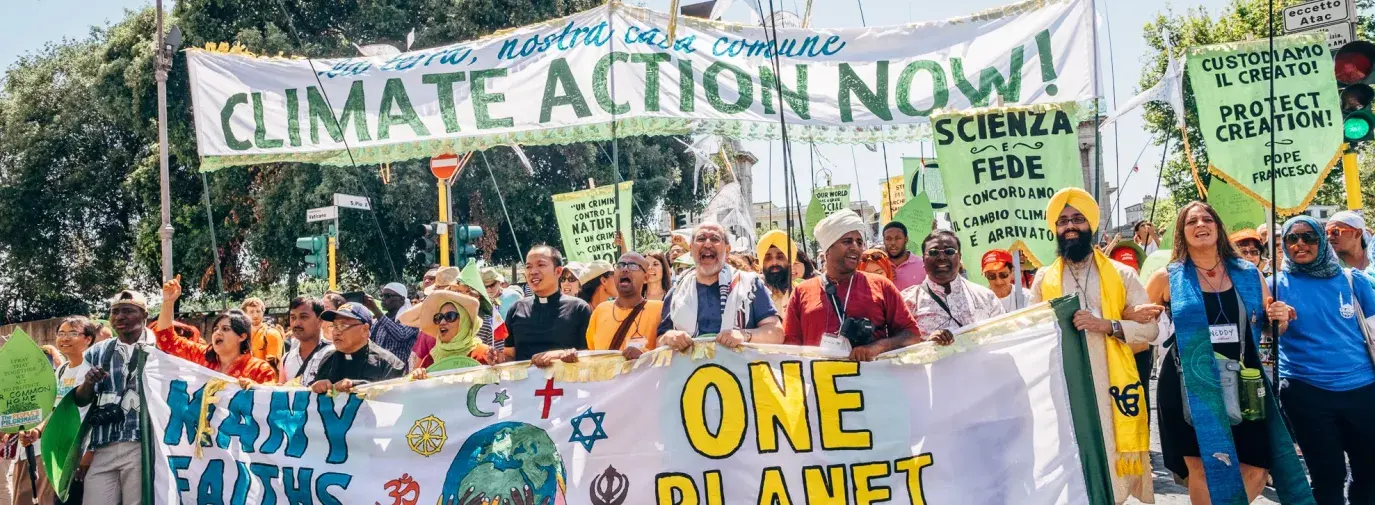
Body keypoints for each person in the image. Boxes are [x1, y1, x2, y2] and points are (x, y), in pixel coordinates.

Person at [1144, 202, 1307, 504]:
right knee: (1204, 468)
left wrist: (1280, 319)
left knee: (1257, 468)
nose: (1200, 224)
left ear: (1218, 227)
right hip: (1186, 384)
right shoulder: (1166, 278)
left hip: (1244, 381)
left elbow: (1269, 328)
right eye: (1192, 221)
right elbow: (1142, 329)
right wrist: (1134, 317)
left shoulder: (1248, 274)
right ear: (1182, 232)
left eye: (1207, 218)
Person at [1029, 188, 1158, 504]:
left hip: (1111, 385)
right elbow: (1031, 330)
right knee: (1071, 461)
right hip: (1064, 386)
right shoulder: (1044, 279)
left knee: (1113, 460)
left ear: (1091, 225)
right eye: (1063, 221)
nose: (1070, 226)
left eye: (1077, 219)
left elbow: (1151, 328)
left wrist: (1110, 325)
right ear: (1055, 229)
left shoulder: (1121, 273)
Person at [1271, 215, 1375, 505]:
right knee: (1328, 475)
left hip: (1363, 390)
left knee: (1369, 471)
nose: (1300, 244)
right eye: (1292, 238)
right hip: (1306, 392)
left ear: (1321, 240)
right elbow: (1269, 332)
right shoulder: (1274, 285)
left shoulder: (1354, 280)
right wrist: (1278, 320)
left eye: (1309, 237)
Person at [785, 210, 943, 360]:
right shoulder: (802, 291)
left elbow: (911, 334)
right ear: (828, 249)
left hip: (871, 383)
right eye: (847, 241)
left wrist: (878, 347)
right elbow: (790, 346)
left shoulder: (881, 285)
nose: (855, 246)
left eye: (859, 242)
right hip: (821, 384)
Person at [71, 289, 157, 505]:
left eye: (128, 311)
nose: (119, 317)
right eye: (115, 312)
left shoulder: (160, 349)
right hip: (103, 443)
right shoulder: (96, 352)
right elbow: (80, 400)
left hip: (142, 443)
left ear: (144, 315)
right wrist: (89, 382)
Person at [659, 223, 783, 351]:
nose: (707, 244)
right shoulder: (676, 291)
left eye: (715, 239)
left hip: (739, 369)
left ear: (727, 250)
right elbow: (659, 340)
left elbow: (776, 333)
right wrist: (669, 337)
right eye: (701, 239)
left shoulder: (750, 285)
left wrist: (744, 335)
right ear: (691, 249)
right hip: (687, 370)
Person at [10, 317, 94, 505]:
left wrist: (89, 453)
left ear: (88, 339)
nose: (65, 338)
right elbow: (52, 408)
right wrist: (37, 431)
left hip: (78, 452)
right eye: (61, 334)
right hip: (56, 449)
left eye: (73, 333)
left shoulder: (91, 370)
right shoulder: (61, 370)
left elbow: (95, 413)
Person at [535, 253, 664, 366]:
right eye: (620, 265)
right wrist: (565, 355)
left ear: (646, 278)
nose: (625, 269)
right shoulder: (601, 311)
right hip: (606, 391)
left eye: (633, 266)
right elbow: (591, 355)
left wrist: (644, 356)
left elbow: (668, 356)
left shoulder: (659, 310)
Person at [155, 277, 277, 385]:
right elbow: (167, 341)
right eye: (215, 329)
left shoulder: (259, 370)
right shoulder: (202, 356)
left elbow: (269, 399)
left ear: (242, 336)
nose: (217, 333)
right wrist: (168, 302)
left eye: (225, 329)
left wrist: (254, 388)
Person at [903, 231, 1004, 338]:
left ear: (960, 257)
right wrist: (927, 345)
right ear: (923, 258)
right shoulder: (907, 302)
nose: (942, 257)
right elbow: (897, 349)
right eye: (933, 252)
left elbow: (1006, 335)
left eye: (949, 251)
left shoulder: (986, 297)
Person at [504, 245, 593, 361]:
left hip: (563, 378)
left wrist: (562, 354)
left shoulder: (578, 308)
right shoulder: (516, 309)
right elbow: (509, 356)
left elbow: (589, 354)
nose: (533, 272)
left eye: (541, 265)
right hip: (526, 379)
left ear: (558, 271)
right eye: (528, 267)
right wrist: (499, 358)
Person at [310, 303, 406, 394]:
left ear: (364, 330)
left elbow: (394, 399)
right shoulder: (328, 358)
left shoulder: (389, 364)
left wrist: (356, 388)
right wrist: (316, 388)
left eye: (343, 326)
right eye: (334, 326)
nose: (336, 332)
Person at [402, 290, 489, 378]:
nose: (442, 322)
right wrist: (417, 376)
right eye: (439, 318)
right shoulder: (431, 359)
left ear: (464, 321)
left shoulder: (483, 354)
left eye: (449, 316)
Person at [362, 283, 419, 373]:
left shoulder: (411, 319)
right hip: (376, 372)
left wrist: (376, 310)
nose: (383, 299)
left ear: (401, 299)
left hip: (397, 372)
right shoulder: (378, 322)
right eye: (382, 295)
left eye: (388, 296)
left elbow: (400, 334)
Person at [280, 296, 332, 385]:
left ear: (320, 321)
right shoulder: (286, 359)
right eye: (293, 317)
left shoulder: (333, 354)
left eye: (304, 317)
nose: (296, 323)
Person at [756, 230, 799, 319]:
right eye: (768, 258)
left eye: (780, 257)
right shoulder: (754, 295)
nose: (774, 262)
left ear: (789, 261)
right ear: (761, 263)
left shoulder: (800, 293)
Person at [1327, 210, 1373, 278]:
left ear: (1358, 233)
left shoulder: (1372, 256)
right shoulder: (1329, 265)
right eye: (1326, 233)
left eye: (1336, 232)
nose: (1329, 237)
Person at [238, 298, 284, 366]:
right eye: (251, 312)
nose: (255, 315)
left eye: (258, 311)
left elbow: (273, 366)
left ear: (263, 312)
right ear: (244, 315)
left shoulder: (271, 334)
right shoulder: (242, 336)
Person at [882, 222, 926, 290]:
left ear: (906, 240)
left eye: (898, 238)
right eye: (888, 239)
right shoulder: (879, 265)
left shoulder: (923, 265)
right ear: (883, 241)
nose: (893, 243)